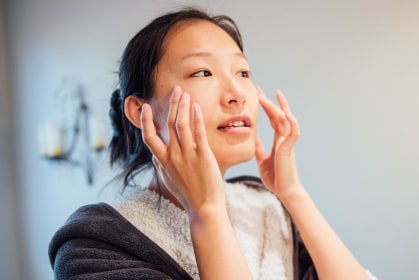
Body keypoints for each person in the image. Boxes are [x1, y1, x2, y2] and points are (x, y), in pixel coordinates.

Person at [48, 6, 377, 280]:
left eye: (243, 73)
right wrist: (205, 212)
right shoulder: (94, 244)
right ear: (139, 110)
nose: (236, 94)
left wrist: (292, 193)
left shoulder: (266, 206)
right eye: (203, 72)